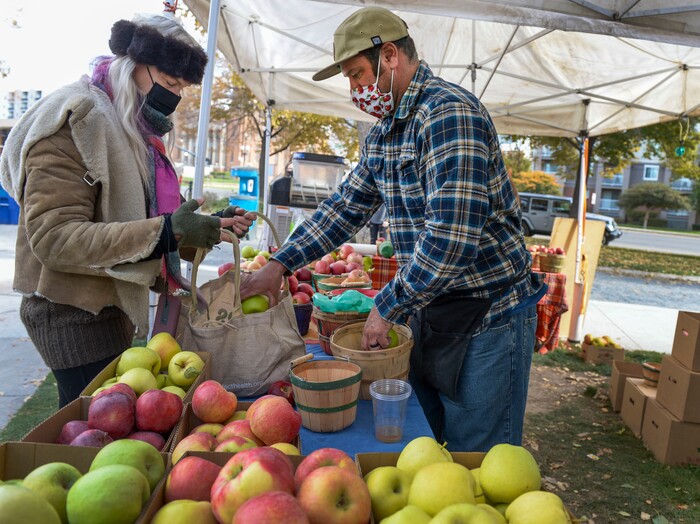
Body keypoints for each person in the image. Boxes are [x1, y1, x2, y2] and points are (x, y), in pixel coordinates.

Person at [240, 6, 545, 451]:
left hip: (487, 317)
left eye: (357, 74)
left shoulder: (448, 114)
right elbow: (345, 207)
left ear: (389, 56)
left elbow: (451, 238)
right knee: (428, 445)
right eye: (348, 79)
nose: (355, 89)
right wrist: (280, 262)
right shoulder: (384, 134)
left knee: (478, 455)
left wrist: (389, 303)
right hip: (433, 310)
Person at [0, 13, 254, 407]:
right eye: (170, 84)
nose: (175, 97)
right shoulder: (77, 119)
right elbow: (54, 237)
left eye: (182, 88)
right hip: (73, 314)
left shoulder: (127, 127)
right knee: (91, 429)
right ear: (134, 65)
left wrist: (203, 227)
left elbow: (130, 220)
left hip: (109, 309)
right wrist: (168, 232)